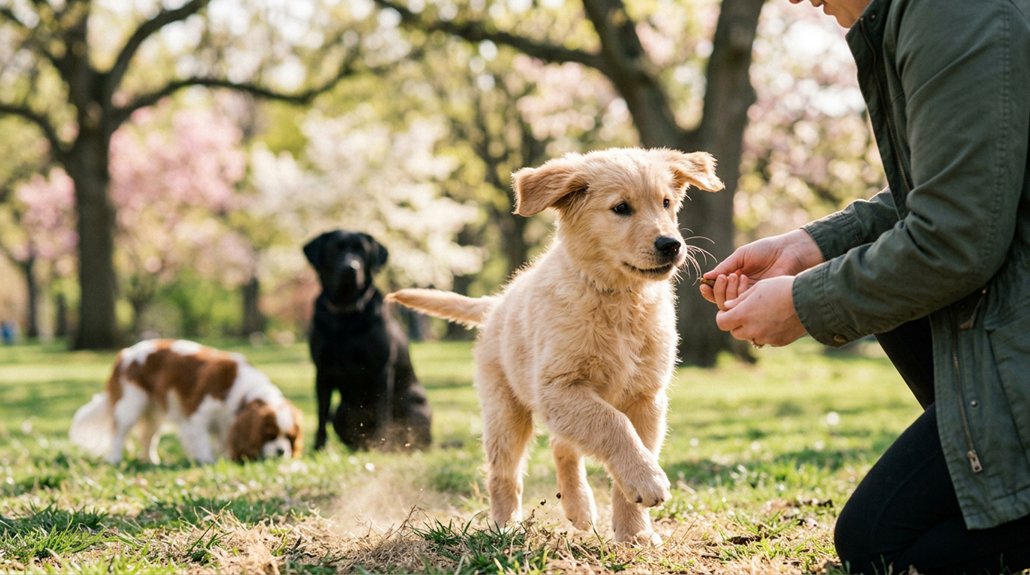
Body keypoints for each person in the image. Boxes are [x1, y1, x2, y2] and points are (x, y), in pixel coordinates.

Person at [699, 0, 1030, 573]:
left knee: (881, 546)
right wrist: (811, 246)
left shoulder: (954, 14)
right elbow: (963, 184)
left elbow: (954, 237)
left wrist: (803, 304)